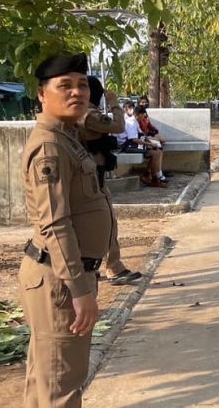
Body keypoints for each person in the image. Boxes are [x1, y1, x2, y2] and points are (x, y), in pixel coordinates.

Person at [19, 53, 113, 408]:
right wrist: (79, 288)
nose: (77, 92)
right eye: (65, 86)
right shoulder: (50, 146)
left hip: (62, 274)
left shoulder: (67, 136)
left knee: (48, 382)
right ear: (42, 94)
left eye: (82, 85)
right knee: (60, 387)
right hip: (60, 280)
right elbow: (55, 224)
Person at [79, 77, 142, 288]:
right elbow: (118, 126)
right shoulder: (88, 114)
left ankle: (93, 268)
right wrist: (114, 103)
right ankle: (113, 268)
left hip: (90, 176)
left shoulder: (79, 113)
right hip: (92, 178)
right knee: (107, 223)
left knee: (95, 225)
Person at [117, 104, 166, 188]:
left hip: (131, 143)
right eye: (143, 115)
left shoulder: (135, 121)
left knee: (158, 150)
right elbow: (133, 139)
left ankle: (148, 175)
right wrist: (149, 144)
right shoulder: (131, 123)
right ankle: (154, 180)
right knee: (156, 153)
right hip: (126, 145)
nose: (144, 118)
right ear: (138, 115)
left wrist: (151, 142)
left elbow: (142, 134)